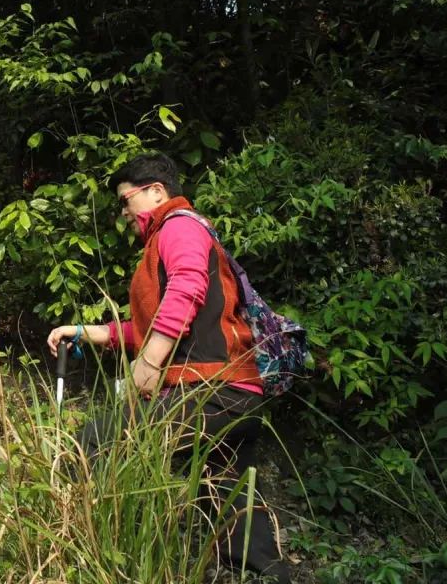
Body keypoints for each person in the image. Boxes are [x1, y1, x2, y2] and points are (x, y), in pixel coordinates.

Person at [46, 152, 291, 583]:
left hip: (209, 389)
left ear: (157, 191)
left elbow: (187, 287)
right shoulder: (170, 238)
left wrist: (149, 363)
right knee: (237, 515)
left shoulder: (177, 226)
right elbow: (149, 326)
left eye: (127, 201)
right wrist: (83, 331)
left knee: (91, 446)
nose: (124, 213)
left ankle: (86, 559)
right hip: (234, 393)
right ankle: (269, 576)